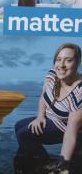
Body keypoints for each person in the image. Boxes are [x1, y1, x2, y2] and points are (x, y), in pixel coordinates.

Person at [14, 43, 82, 173]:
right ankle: (33, 159)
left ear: (78, 62)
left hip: (64, 127)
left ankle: (45, 164)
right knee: (18, 126)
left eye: (68, 60)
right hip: (49, 118)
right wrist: (40, 116)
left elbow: (71, 132)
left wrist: (64, 163)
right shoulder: (52, 75)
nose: (61, 65)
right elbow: (43, 97)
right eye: (58, 59)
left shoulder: (79, 92)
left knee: (25, 135)